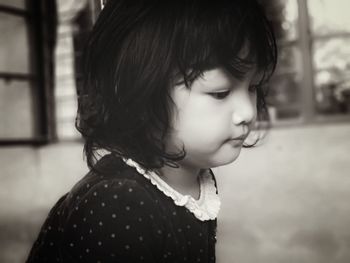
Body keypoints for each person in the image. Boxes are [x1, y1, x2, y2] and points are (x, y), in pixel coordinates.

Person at [26, 0, 277, 262]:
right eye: (220, 92)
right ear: (141, 92)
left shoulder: (195, 178)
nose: (248, 112)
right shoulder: (120, 202)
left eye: (253, 87)